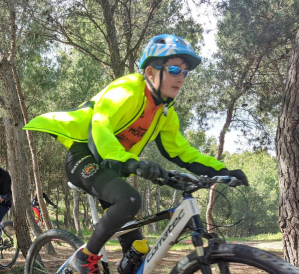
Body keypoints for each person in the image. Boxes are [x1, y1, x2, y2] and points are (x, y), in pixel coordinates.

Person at [23, 34, 248, 274]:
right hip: (85, 155)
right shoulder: (128, 88)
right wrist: (131, 162)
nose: (180, 78)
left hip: (111, 168)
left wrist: (221, 171)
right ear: (150, 72)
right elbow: (100, 126)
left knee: (138, 252)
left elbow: (180, 150)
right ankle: (85, 257)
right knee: (130, 199)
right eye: (173, 69)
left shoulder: (165, 113)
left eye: (185, 72)